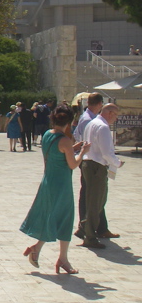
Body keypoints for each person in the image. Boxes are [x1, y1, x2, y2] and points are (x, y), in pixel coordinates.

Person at [20, 104, 90, 274]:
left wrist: (73, 148)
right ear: (70, 121)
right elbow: (72, 164)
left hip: (48, 181)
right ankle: (62, 259)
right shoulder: (65, 140)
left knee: (51, 217)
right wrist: (82, 152)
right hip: (61, 184)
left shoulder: (47, 135)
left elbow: (57, 153)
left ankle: (38, 249)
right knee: (65, 218)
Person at [78, 103, 124, 249]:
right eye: (115, 115)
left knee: (96, 200)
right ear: (110, 113)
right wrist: (117, 163)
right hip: (97, 166)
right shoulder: (103, 127)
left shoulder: (92, 123)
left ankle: (85, 227)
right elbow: (106, 152)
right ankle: (90, 237)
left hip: (89, 164)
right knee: (96, 202)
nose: (116, 119)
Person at [72, 93, 116, 240]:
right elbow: (101, 148)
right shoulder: (92, 121)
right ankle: (89, 229)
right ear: (99, 104)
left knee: (94, 197)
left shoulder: (90, 119)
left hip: (89, 161)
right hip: (93, 163)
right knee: (93, 198)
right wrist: (116, 163)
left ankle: (93, 227)